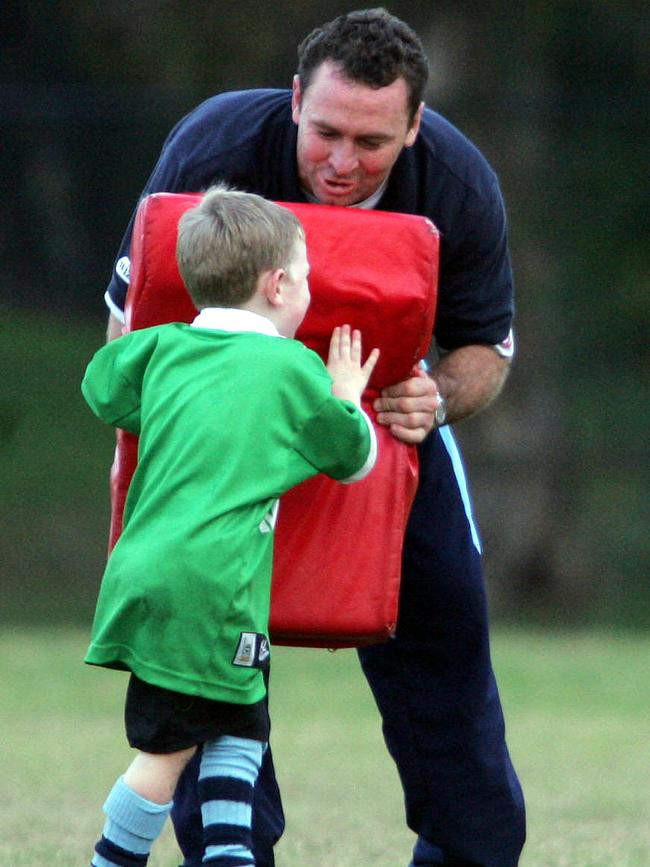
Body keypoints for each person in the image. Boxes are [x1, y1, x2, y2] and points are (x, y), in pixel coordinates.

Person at [102, 8, 526, 867]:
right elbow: (127, 326)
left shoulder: (455, 180)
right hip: (219, 443)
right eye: (324, 130)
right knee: (202, 659)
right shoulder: (215, 147)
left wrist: (432, 400)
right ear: (295, 100)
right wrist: (195, 430)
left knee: (448, 636)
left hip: (376, 427)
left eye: (370, 141)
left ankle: (469, 847)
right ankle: (231, 852)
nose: (340, 161)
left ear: (413, 127)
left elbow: (489, 348)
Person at [83, 185, 379, 867]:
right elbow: (353, 457)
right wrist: (344, 396)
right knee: (164, 757)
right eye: (305, 278)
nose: (308, 289)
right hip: (211, 585)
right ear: (278, 285)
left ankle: (228, 856)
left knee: (237, 730)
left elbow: (103, 387)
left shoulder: (159, 350)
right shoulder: (288, 368)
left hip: (141, 570)